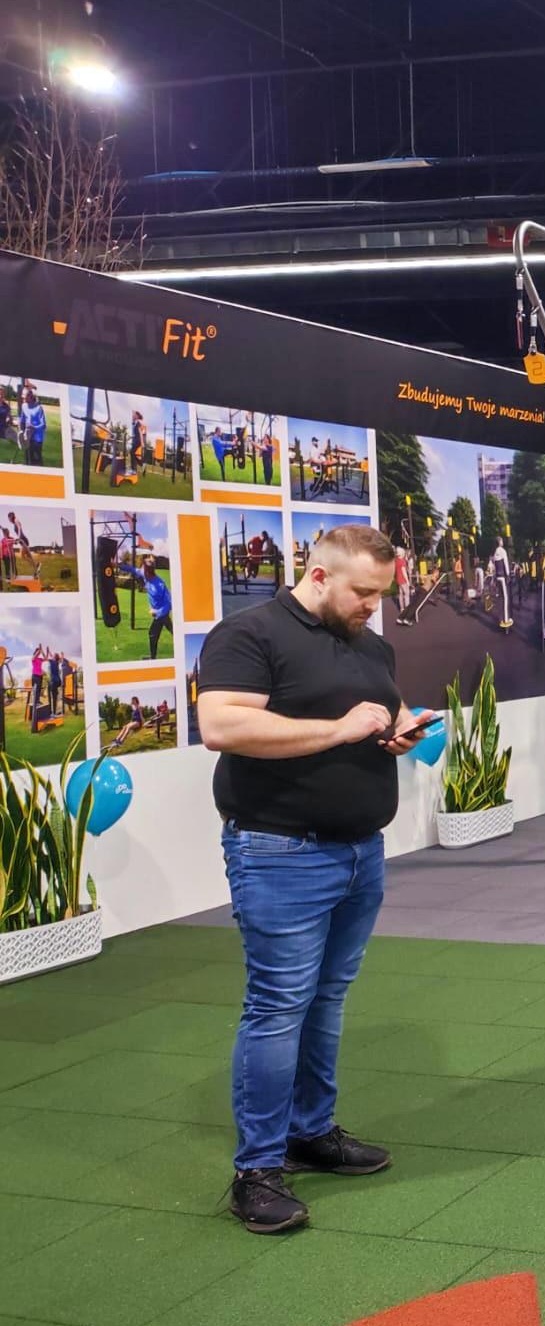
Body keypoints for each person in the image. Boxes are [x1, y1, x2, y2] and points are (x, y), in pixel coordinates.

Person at [196, 523, 429, 1233]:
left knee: (326, 1001)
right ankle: (257, 1171)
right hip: (279, 852)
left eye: (381, 594)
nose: (373, 606)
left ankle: (311, 1132)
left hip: (361, 852)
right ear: (320, 575)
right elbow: (222, 726)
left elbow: (377, 715)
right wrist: (337, 729)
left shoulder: (370, 643)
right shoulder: (249, 633)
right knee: (278, 1007)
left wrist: (397, 732)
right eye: (363, 592)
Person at [136, 561, 173, 658]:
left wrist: (157, 612)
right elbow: (133, 570)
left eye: (143, 569)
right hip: (162, 616)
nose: (141, 571)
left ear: (148, 572)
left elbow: (169, 604)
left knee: (153, 633)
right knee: (171, 630)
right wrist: (119, 565)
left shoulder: (160, 584)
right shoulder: (145, 576)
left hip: (162, 614)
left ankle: (153, 658)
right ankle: (153, 658)